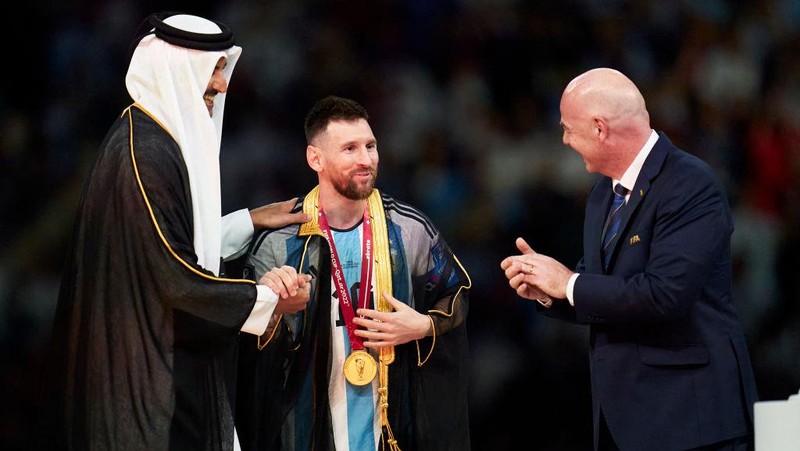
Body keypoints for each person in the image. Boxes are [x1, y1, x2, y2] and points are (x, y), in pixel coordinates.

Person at [33, 12, 312, 451]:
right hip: (148, 390)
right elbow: (173, 277)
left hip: (150, 368)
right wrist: (270, 300)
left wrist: (248, 221)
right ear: (181, 69)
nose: (222, 85)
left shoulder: (148, 138)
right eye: (214, 69)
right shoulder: (145, 155)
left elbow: (152, 247)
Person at [501, 68, 759, 451]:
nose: (565, 140)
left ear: (600, 129)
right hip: (623, 422)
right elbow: (597, 290)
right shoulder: (603, 195)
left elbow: (665, 295)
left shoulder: (690, 183)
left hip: (689, 422)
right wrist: (547, 290)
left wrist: (568, 283)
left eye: (569, 129)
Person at [235, 96, 472, 451]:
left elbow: (457, 293)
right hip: (305, 430)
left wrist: (424, 326)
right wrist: (269, 305)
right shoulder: (279, 243)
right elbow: (245, 351)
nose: (366, 160)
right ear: (316, 158)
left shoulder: (408, 229)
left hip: (390, 428)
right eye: (349, 149)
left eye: (370, 146)